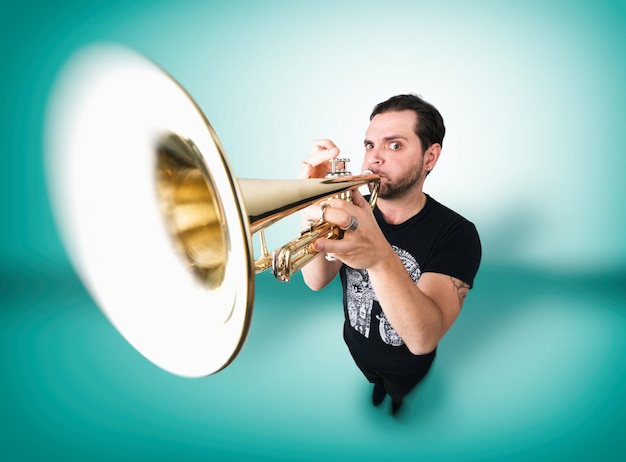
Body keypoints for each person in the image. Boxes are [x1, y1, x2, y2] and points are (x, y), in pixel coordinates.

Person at [298, 94, 481, 415]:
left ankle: (396, 400)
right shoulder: (351, 206)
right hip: (356, 347)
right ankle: (379, 388)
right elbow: (316, 281)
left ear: (430, 157)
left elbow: (423, 338)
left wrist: (380, 257)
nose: (372, 160)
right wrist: (310, 208)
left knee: (398, 392)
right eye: (370, 145)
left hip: (409, 365)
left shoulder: (458, 234)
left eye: (394, 145)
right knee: (375, 382)